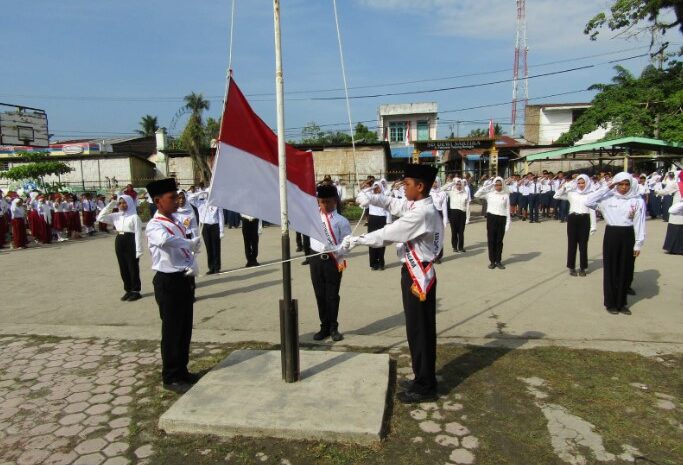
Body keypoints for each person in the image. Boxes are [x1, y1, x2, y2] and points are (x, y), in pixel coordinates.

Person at [345, 164, 442, 403]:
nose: (403, 187)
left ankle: (424, 385)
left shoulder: (422, 213)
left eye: (407, 184)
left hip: (417, 276)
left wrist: (357, 240)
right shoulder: (419, 204)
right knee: (417, 328)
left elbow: (389, 233)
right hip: (414, 271)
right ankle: (423, 376)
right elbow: (394, 204)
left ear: (420, 187)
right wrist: (371, 198)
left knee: (420, 330)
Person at [145, 178, 202, 393]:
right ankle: (170, 376)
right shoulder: (155, 225)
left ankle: (182, 370)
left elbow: (182, 246)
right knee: (171, 330)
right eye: (172, 197)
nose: (177, 200)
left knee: (185, 327)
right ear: (158, 201)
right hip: (168, 281)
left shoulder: (177, 220)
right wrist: (188, 243)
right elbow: (165, 241)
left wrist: (193, 253)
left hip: (183, 278)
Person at [586, 172, 646, 315]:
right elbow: (588, 202)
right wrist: (608, 186)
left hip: (628, 235)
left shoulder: (637, 200)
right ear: (616, 184)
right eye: (620, 184)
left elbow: (640, 223)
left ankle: (622, 302)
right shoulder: (608, 197)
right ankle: (610, 303)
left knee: (625, 269)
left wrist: (638, 243)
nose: (624, 187)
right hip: (612, 234)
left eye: (627, 184)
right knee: (611, 269)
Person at [309, 184, 352, 342]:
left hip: (333, 260)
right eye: (321, 201)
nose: (324, 205)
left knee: (332, 295)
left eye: (328, 201)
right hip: (316, 259)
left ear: (335, 201)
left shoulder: (342, 221)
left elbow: (347, 243)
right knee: (319, 294)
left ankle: (333, 327)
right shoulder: (313, 217)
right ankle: (324, 326)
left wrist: (336, 249)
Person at [97, 194, 143, 302]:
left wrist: (139, 249)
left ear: (130, 203)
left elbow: (138, 234)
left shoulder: (134, 217)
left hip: (131, 240)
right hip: (119, 240)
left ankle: (136, 291)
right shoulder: (116, 215)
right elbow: (100, 217)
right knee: (123, 267)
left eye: (124, 202)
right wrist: (112, 203)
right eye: (120, 203)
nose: (122, 205)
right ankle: (128, 290)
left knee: (132, 267)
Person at [554, 174, 597, 276]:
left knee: (583, 245)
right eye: (579, 183)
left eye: (583, 183)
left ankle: (583, 268)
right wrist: (565, 186)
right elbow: (556, 195)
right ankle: (571, 267)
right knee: (572, 244)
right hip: (573, 219)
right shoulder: (572, 193)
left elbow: (592, 211)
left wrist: (593, 226)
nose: (581, 185)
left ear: (587, 183)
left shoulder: (590, 194)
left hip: (584, 219)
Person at [475, 177, 511, 269]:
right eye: (496, 185)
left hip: (502, 218)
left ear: (502, 185)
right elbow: (477, 194)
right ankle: (492, 261)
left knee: (499, 241)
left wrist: (508, 223)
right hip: (491, 218)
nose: (498, 187)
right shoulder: (489, 194)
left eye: (500, 185)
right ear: (494, 185)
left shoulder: (506, 195)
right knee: (491, 241)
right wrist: (488, 186)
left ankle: (498, 261)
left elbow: (507, 209)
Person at [192, 190, 224, 274]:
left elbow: (221, 217)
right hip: (205, 226)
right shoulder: (200, 203)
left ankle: (217, 267)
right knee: (208, 247)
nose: (208, 195)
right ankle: (211, 267)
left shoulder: (217, 203)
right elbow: (189, 199)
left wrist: (221, 231)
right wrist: (200, 193)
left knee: (216, 247)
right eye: (207, 194)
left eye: (209, 193)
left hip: (215, 225)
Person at [444, 177, 470, 253]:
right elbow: (441, 189)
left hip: (462, 213)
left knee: (461, 232)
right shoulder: (451, 192)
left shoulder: (465, 193)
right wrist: (452, 183)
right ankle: (455, 247)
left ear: (462, 185)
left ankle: (461, 247)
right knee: (454, 231)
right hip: (453, 213)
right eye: (457, 184)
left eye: (460, 184)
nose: (458, 186)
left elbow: (467, 206)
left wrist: (468, 217)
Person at [367, 181, 389, 270]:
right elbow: (362, 193)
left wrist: (388, 222)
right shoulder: (370, 197)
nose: (377, 189)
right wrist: (372, 188)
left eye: (378, 187)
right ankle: (373, 263)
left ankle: (381, 263)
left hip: (381, 219)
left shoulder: (384, 197)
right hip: (372, 219)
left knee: (381, 241)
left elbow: (388, 211)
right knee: (372, 241)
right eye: (375, 187)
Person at [663, 172, 683, 254]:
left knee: (674, 228)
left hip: (676, 209)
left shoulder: (676, 184)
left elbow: (666, 191)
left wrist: (657, 192)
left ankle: (673, 248)